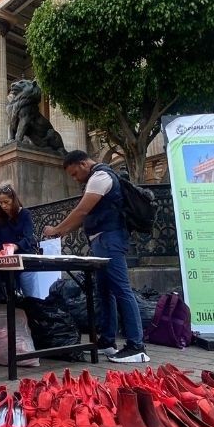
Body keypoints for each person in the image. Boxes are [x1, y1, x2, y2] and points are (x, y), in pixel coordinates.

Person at [42, 151, 149, 364]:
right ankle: (108, 341)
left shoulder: (101, 177)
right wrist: (63, 231)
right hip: (101, 241)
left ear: (83, 163)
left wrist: (56, 229)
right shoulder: (95, 177)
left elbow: (82, 211)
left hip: (110, 239)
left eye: (74, 173)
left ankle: (136, 346)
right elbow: (84, 215)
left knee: (121, 290)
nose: (75, 178)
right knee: (104, 291)